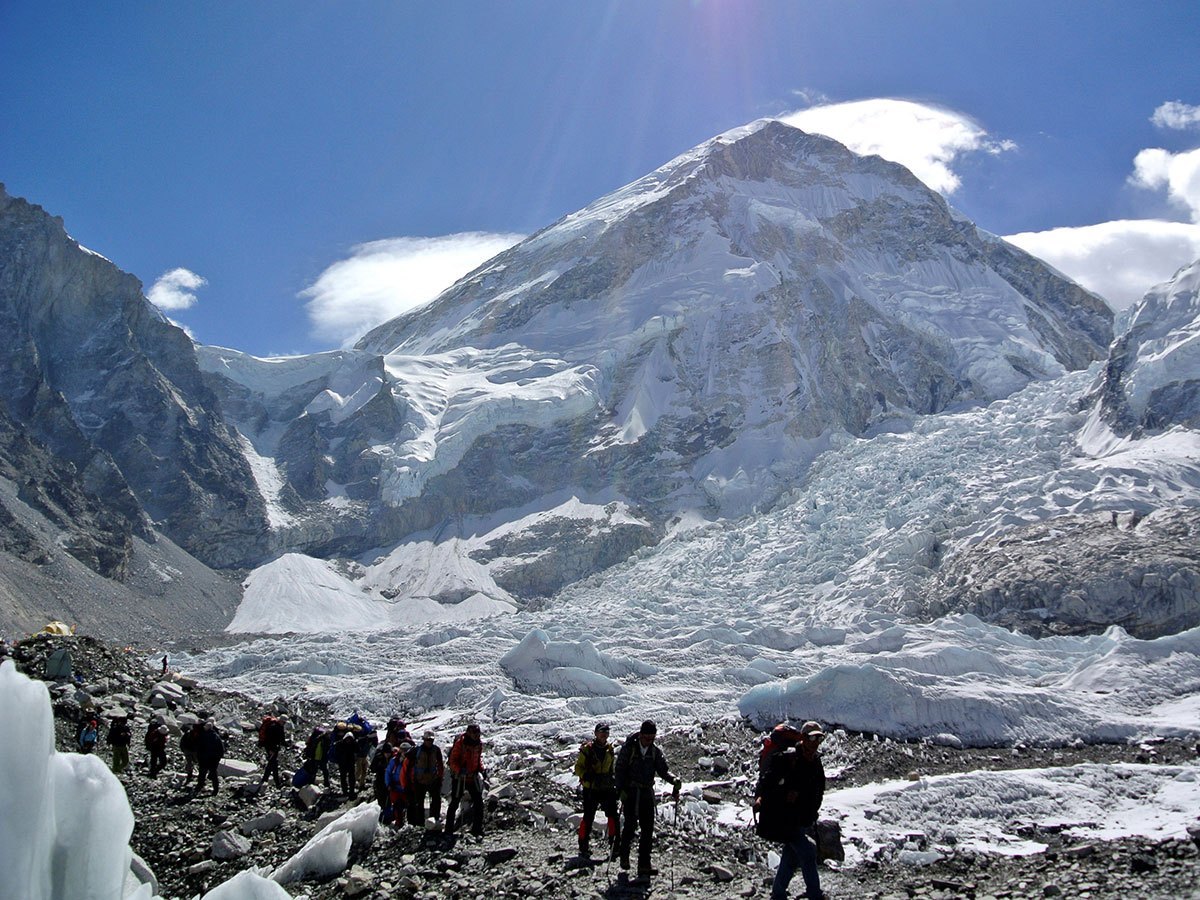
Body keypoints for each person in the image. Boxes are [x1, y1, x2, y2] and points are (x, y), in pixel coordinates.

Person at [754, 720, 827, 900]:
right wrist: (785, 794)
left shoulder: (815, 761)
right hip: (784, 818)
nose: (816, 743)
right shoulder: (788, 758)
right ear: (803, 738)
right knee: (808, 852)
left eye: (819, 739)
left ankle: (778, 894)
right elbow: (767, 784)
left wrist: (812, 811)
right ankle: (814, 895)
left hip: (801, 819)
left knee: (791, 856)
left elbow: (818, 789)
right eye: (812, 738)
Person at [614, 720, 681, 881]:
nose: (650, 741)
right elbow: (620, 769)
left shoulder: (654, 752)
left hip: (646, 793)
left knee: (647, 828)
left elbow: (663, 770)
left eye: (652, 738)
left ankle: (644, 864)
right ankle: (624, 855)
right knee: (630, 825)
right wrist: (621, 790)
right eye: (648, 738)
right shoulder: (629, 749)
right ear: (641, 735)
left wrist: (673, 780)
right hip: (631, 791)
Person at [574, 721, 619, 859]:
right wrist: (586, 775)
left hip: (605, 787)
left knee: (613, 816)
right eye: (601, 732)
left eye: (606, 732)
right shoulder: (587, 749)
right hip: (591, 787)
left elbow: (612, 768)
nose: (604, 735)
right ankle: (583, 846)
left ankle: (615, 846)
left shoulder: (609, 750)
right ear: (596, 733)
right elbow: (578, 767)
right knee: (588, 817)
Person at [445, 723, 486, 836]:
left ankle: (477, 828)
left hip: (472, 777)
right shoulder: (460, 744)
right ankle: (449, 829)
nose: (477, 735)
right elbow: (453, 761)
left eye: (478, 733)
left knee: (479, 803)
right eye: (474, 733)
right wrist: (459, 770)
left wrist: (481, 768)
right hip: (460, 778)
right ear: (468, 733)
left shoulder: (478, 744)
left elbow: (477, 759)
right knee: (455, 802)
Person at [407, 730, 445, 827]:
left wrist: (440, 777)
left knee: (436, 801)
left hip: (433, 779)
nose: (429, 742)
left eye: (431, 740)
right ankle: (419, 823)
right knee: (419, 803)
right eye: (427, 740)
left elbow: (440, 764)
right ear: (424, 739)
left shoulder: (436, 750)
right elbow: (409, 765)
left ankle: (434, 820)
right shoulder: (416, 750)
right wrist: (411, 779)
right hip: (419, 780)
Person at [194, 720, 225, 796]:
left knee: (202, 773)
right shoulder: (216, 736)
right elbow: (221, 749)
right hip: (213, 759)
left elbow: (198, 747)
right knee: (214, 774)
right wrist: (218, 758)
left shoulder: (202, 736)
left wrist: (198, 757)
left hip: (204, 759)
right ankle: (215, 790)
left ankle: (199, 787)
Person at [258, 715, 287, 788]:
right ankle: (277, 783)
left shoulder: (277, 726)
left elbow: (281, 740)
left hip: (273, 748)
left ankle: (265, 779)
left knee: (271, 764)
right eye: (283, 722)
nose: (284, 723)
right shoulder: (274, 727)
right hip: (272, 749)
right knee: (274, 765)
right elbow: (270, 740)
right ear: (280, 720)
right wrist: (271, 749)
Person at [384, 744, 409, 826]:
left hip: (405, 787)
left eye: (406, 750)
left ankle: (403, 822)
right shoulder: (394, 761)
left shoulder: (411, 761)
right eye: (403, 750)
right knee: (397, 806)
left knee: (404, 805)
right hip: (395, 787)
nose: (404, 752)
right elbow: (388, 772)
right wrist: (388, 784)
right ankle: (399, 823)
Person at [335, 731, 358, 798]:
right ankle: (348, 791)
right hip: (346, 763)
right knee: (347, 777)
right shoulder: (353, 743)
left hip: (346, 763)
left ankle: (348, 791)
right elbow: (358, 750)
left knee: (346, 777)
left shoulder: (340, 743)